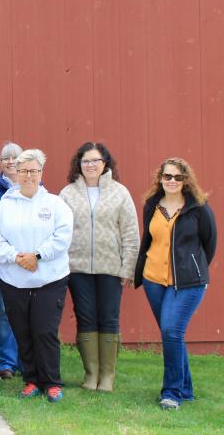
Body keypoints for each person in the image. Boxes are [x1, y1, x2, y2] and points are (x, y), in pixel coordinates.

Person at [0, 149, 73, 403]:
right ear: (17, 173)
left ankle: (52, 382)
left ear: (41, 173)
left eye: (34, 171)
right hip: (14, 279)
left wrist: (37, 255)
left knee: (44, 330)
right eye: (24, 171)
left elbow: (62, 237)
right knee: (23, 330)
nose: (28, 176)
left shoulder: (55, 204)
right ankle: (31, 380)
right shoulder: (3, 208)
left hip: (50, 278)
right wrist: (17, 257)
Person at [133, 157, 216, 411]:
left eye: (177, 177)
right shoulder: (151, 206)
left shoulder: (199, 208)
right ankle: (186, 389)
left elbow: (209, 244)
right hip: (154, 280)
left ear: (185, 180)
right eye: (167, 176)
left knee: (171, 332)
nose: (172, 181)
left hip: (188, 283)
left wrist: (194, 269)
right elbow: (148, 238)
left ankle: (171, 393)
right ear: (160, 178)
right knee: (172, 336)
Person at [59, 141, 140, 392]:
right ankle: (91, 374)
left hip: (110, 267)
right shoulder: (67, 193)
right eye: (86, 161)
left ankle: (107, 377)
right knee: (85, 318)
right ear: (79, 165)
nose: (91, 165)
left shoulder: (119, 192)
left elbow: (130, 233)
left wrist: (128, 268)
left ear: (105, 163)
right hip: (77, 267)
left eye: (96, 160)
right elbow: (59, 231)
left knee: (108, 318)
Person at [0, 141, 23, 378]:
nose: (10, 162)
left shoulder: (35, 187)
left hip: (29, 259)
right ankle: (6, 362)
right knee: (3, 311)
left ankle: (27, 359)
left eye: (15, 158)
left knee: (27, 311)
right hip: (3, 258)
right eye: (5, 158)